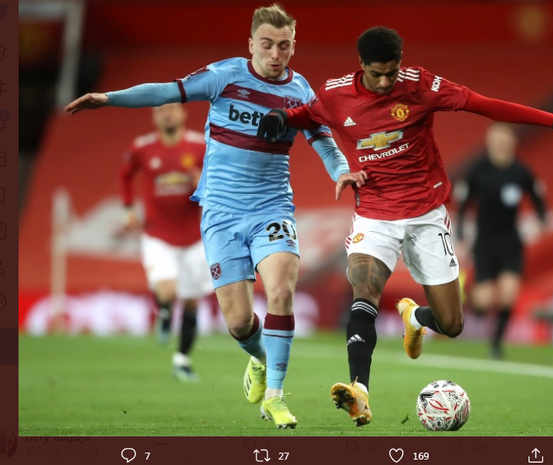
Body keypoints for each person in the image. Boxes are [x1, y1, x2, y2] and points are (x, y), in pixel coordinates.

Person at [257, 26, 553, 427]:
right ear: (361, 65)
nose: (386, 82)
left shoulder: (421, 86)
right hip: (375, 214)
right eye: (377, 73)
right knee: (363, 287)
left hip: (426, 214)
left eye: (392, 72)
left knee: (452, 324)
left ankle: (415, 319)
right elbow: (304, 115)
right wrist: (281, 116)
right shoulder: (334, 94)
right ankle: (360, 391)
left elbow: (484, 105)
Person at [65, 4, 366, 429]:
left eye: (283, 45)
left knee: (281, 292)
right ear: (251, 45)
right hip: (222, 214)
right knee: (240, 323)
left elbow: (324, 141)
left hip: (272, 208)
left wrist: (341, 172)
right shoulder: (225, 76)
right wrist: (109, 98)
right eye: (266, 45)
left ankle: (276, 397)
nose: (275, 53)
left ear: (293, 46)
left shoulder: (300, 93)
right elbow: (166, 91)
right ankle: (259, 359)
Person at [120, 102, 212, 381]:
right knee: (169, 290)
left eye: (172, 109)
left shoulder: (200, 146)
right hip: (158, 234)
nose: (167, 114)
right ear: (154, 117)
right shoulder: (142, 148)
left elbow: (218, 178)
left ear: (183, 114)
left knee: (192, 301)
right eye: (161, 110)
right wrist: (127, 207)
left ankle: (182, 360)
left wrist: (203, 181)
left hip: (195, 238)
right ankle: (163, 310)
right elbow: (125, 174)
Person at [455, 123, 547, 360]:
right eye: (497, 140)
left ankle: (496, 345)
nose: (501, 144)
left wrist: (541, 219)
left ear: (512, 143)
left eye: (505, 140)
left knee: (508, 295)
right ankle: (469, 297)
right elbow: (464, 204)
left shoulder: (521, 172)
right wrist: (461, 236)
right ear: (489, 143)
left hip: (510, 242)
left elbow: (537, 197)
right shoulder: (478, 170)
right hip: (484, 242)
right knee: (484, 303)